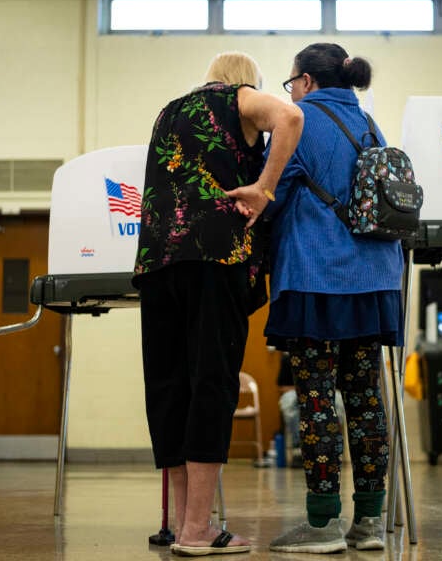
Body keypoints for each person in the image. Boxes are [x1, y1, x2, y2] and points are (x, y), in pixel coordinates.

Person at [133, 51, 303, 556]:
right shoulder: (240, 99)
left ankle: (182, 524)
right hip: (214, 256)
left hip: (158, 261)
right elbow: (291, 117)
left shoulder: (169, 111)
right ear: (246, 82)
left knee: (170, 387)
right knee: (212, 381)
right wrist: (265, 188)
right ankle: (197, 530)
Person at [263, 43, 404, 553]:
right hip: (376, 280)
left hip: (317, 277)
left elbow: (269, 194)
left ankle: (322, 524)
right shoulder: (369, 124)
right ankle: (368, 522)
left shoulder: (298, 120)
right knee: (367, 399)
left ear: (305, 81)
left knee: (317, 400)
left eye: (290, 82)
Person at [278, 352, 345, 469]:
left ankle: (332, 445)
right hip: (297, 390)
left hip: (326, 391)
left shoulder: (334, 355)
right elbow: (282, 386)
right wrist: (306, 391)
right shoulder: (288, 357)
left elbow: (339, 385)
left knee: (338, 400)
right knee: (289, 401)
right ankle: (297, 448)